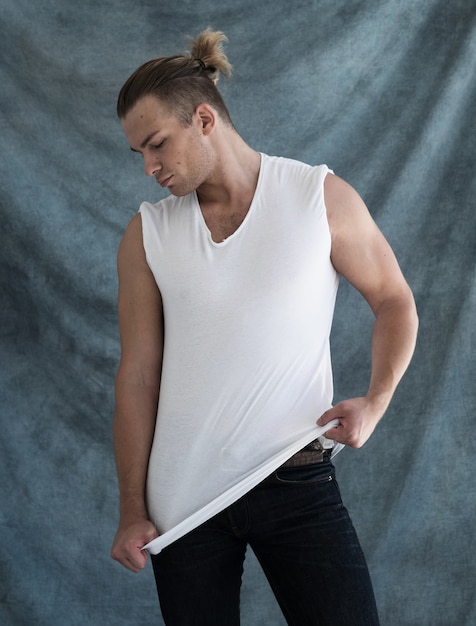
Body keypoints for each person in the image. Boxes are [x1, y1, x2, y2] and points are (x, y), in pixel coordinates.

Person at [110, 28, 418, 625]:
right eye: (139, 155)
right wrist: (131, 509)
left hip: (295, 479)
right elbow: (137, 377)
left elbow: (394, 299)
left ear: (203, 119)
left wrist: (377, 400)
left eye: (156, 145)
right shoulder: (146, 234)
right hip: (184, 504)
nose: (149, 168)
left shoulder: (315, 196)